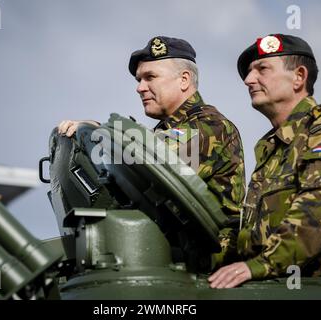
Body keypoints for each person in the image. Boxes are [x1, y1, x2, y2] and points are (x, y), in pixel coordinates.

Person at [208, 33, 321, 289]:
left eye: (262, 69)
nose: (249, 80)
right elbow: (250, 236)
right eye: (249, 73)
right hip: (278, 283)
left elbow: (319, 210)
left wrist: (259, 265)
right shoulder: (271, 148)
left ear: (299, 77)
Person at [58, 36, 246, 224]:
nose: (140, 88)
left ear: (184, 79)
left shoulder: (209, 126)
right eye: (139, 79)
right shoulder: (169, 128)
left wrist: (97, 133)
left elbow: (146, 162)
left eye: (150, 77)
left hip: (210, 251)